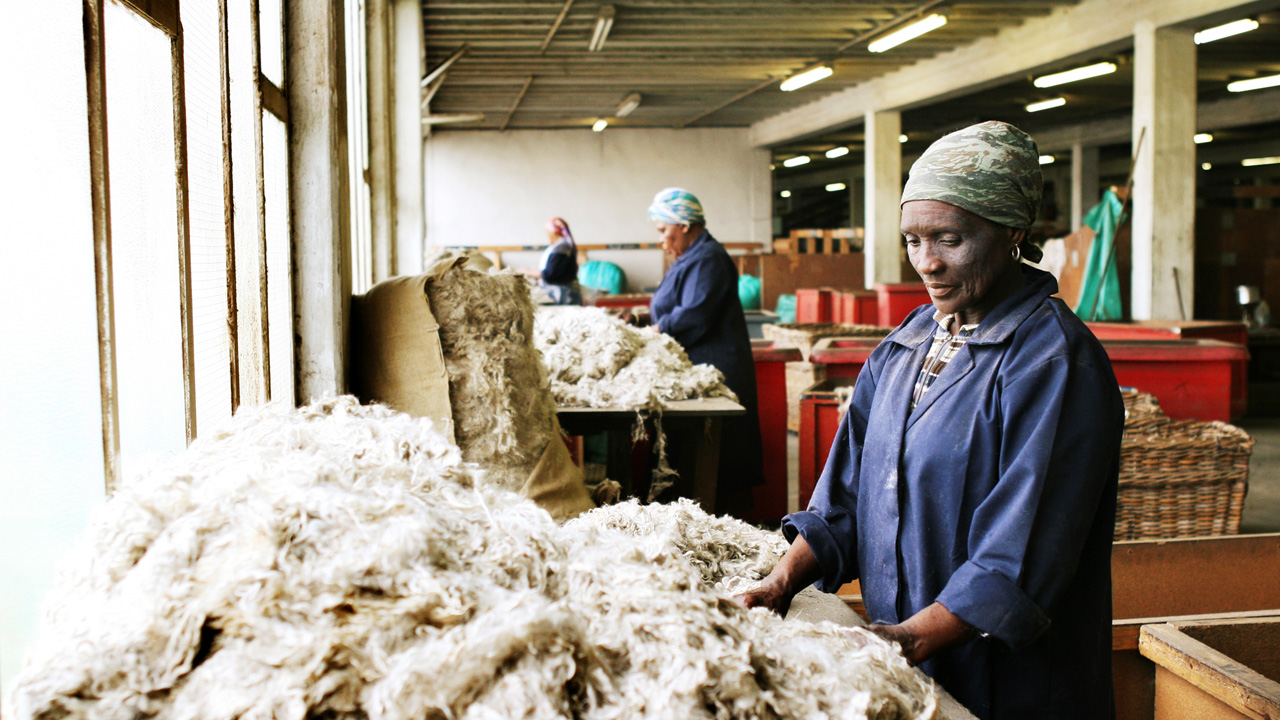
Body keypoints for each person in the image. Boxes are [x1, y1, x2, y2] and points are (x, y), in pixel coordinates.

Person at [736, 122, 1124, 719]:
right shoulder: (910, 341)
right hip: (909, 661)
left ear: (1013, 231)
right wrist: (779, 582)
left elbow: (1022, 552)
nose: (928, 263)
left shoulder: (1054, 364)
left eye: (949, 239)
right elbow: (844, 495)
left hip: (1011, 683)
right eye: (913, 241)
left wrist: (908, 639)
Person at [647, 187, 764, 514]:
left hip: (718, 372)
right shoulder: (691, 257)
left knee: (721, 459)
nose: (662, 240)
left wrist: (657, 329)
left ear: (683, 224)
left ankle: (721, 525)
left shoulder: (708, 258)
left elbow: (695, 313)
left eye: (663, 230)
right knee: (699, 455)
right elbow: (672, 305)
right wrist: (642, 318)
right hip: (699, 369)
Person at [539, 217, 582, 305]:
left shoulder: (561, 248)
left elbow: (551, 274)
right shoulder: (560, 246)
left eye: (547, 231)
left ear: (553, 232)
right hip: (562, 292)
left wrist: (528, 272)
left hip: (563, 293)